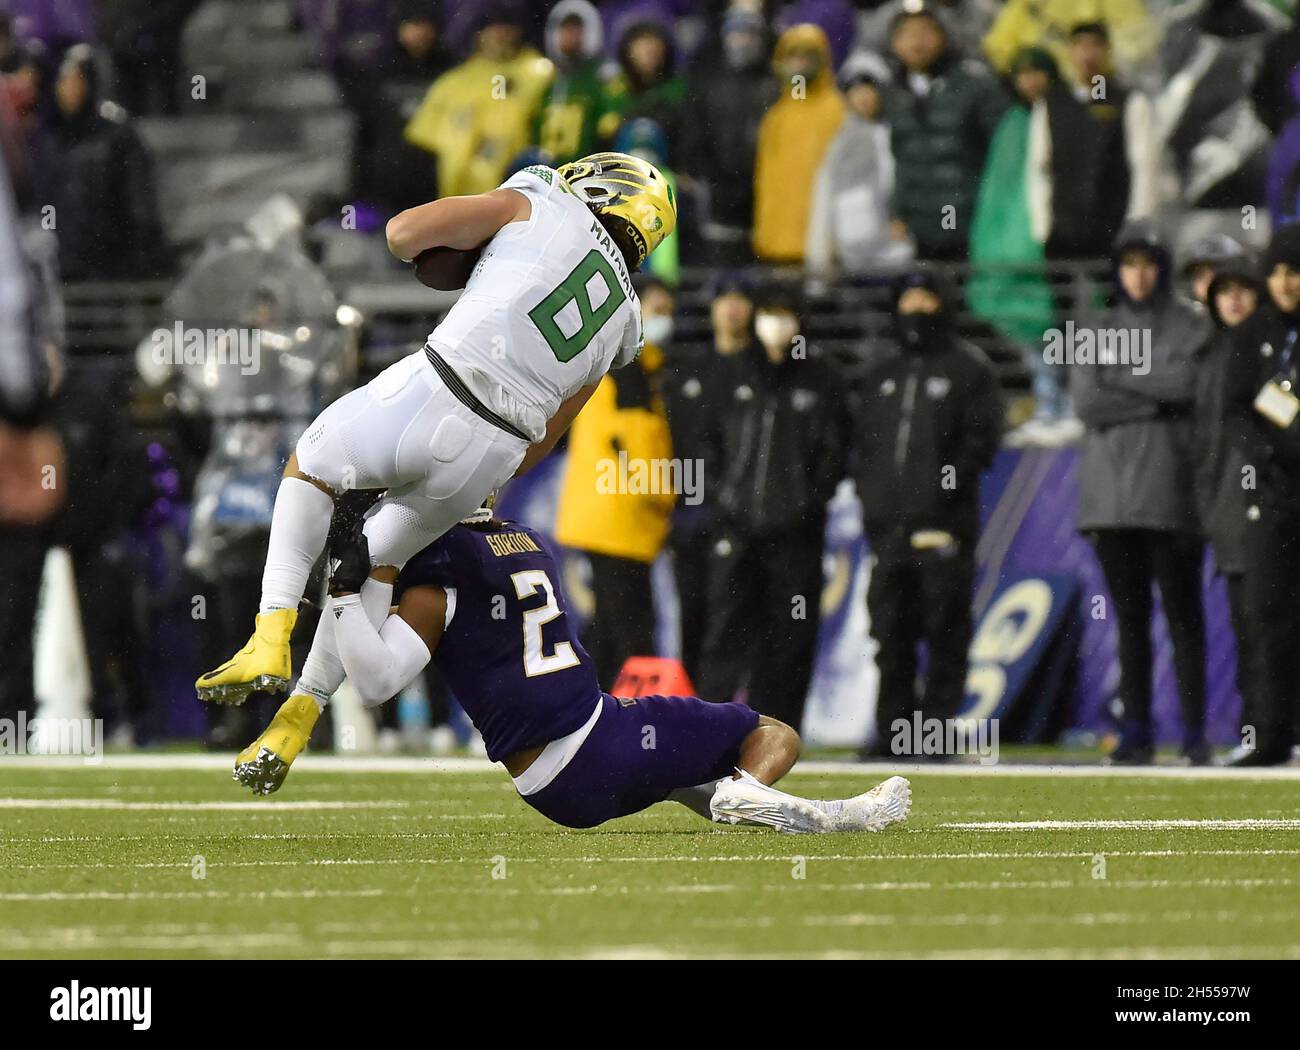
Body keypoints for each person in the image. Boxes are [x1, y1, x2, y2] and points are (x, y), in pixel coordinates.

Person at [194, 152, 676, 708]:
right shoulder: (627, 321)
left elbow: (402, 234)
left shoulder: (544, 196)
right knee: (380, 562)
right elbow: (549, 433)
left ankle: (271, 633)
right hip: (497, 448)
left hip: (442, 385)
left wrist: (474, 254)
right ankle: (302, 711)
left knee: (314, 461)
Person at [233, 509, 912, 836]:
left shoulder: (439, 577)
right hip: (597, 741)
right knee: (775, 733)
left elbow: (377, 682)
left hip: (551, 783)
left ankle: (809, 812)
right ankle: (754, 794)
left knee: (689, 779)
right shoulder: (523, 538)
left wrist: (347, 594)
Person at [1070, 221, 1211, 765]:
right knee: (1130, 623)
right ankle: (1138, 734)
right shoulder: (1097, 326)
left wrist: (1121, 378)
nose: (1139, 274)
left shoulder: (1190, 323)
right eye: (1130, 263)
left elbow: (1189, 387)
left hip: (1173, 495)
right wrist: (1156, 393)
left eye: (1148, 263)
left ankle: (1195, 735)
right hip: (1111, 501)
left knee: (1183, 616)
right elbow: (1087, 404)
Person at [854, 268, 1002, 759]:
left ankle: (935, 735)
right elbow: (866, 449)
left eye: (926, 298)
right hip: (888, 532)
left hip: (944, 530)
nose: (916, 309)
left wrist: (939, 500)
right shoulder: (882, 371)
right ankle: (891, 733)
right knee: (890, 636)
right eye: (908, 298)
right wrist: (875, 503)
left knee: (944, 633)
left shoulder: (968, 369)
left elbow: (980, 444)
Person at [696, 284, 853, 731]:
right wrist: (722, 497)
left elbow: (835, 454)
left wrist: (805, 507)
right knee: (724, 631)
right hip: (736, 526)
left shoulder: (823, 378)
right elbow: (706, 443)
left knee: (788, 636)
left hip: (796, 534)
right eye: (769, 313)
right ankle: (709, 732)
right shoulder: (733, 374)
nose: (777, 324)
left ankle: (779, 734)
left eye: (786, 314)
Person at [554, 276, 676, 687]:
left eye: (668, 311)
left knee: (608, 626)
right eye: (656, 309)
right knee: (633, 628)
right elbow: (633, 451)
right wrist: (665, 500)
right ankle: (641, 714)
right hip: (616, 520)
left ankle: (578, 704)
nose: (663, 318)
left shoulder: (639, 368)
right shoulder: (626, 371)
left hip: (614, 520)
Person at [1217, 225, 1300, 766]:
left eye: (1294, 270)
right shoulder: (1255, 335)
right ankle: (1268, 736)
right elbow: (1237, 408)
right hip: (1274, 498)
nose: (1285, 282)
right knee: (1268, 618)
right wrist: (1266, 460)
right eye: (1276, 270)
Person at [660, 272, 753, 681]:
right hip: (692, 514)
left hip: (745, 518)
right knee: (693, 616)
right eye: (724, 298)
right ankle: (695, 714)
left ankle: (732, 715)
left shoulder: (762, 371)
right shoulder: (687, 372)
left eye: (740, 299)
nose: (732, 307)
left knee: (735, 618)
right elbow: (671, 445)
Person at [1193, 254, 1263, 763]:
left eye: (1245, 288)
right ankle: (1257, 731)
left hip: (1271, 506)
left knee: (1274, 624)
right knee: (1248, 625)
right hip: (1228, 509)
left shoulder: (1274, 347)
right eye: (1225, 289)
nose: (1234, 298)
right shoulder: (1208, 354)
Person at [883, 3, 1007, 260]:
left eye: (926, 31)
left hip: (966, 223)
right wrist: (896, 214)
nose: (917, 41)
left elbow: (1000, 153)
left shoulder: (975, 87)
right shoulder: (890, 93)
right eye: (907, 33)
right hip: (913, 231)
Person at [1028, 22, 1159, 263]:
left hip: (1114, 228)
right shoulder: (1051, 103)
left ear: (1107, 51)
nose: (1087, 55)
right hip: (1063, 229)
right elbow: (1038, 167)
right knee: (1064, 295)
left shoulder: (1129, 101)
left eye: (1095, 46)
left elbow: (1143, 165)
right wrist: (1042, 226)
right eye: (1080, 46)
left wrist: (1137, 223)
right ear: (1069, 52)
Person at [403, 4, 553, 196]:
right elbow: (422, 147)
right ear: (479, 33)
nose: (501, 35)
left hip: (518, 189)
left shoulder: (540, 74)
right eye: (494, 27)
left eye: (507, 27)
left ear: (519, 31)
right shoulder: (453, 81)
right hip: (453, 195)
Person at [805, 53, 912, 279]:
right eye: (856, 90)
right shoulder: (840, 142)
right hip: (852, 256)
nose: (864, 97)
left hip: (897, 252)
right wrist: (822, 251)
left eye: (870, 89)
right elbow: (824, 197)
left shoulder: (899, 132)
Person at [751, 23, 844, 264]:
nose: (799, 64)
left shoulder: (837, 112)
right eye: (792, 56)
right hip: (777, 246)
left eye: (807, 56)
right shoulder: (777, 115)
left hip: (822, 247)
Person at [533, 0, 608, 166]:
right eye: (565, 30)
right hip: (548, 172)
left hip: (585, 171)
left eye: (577, 31)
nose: (571, 37)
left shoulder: (601, 79)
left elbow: (608, 129)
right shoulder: (547, 78)